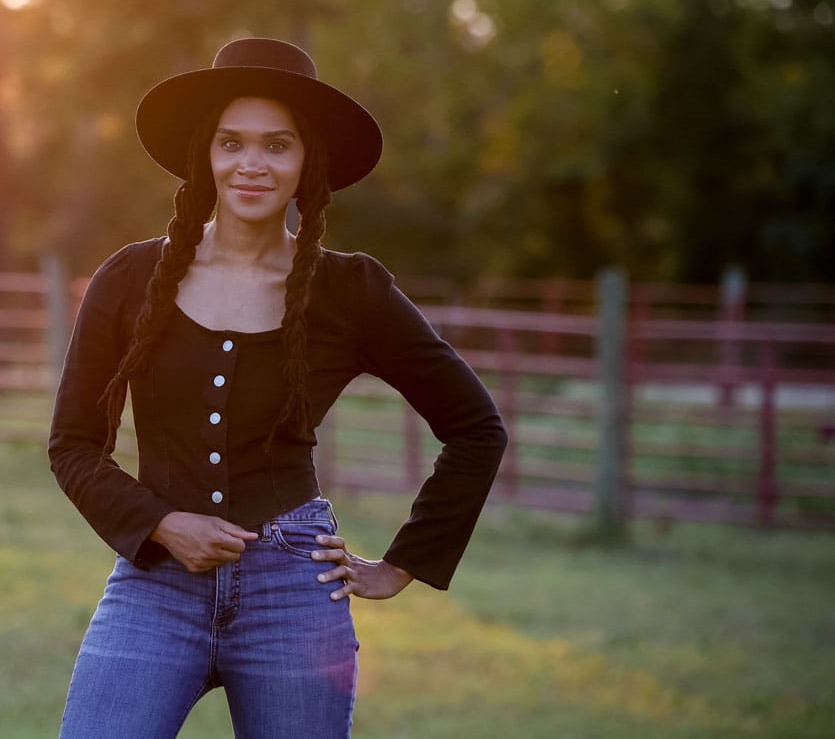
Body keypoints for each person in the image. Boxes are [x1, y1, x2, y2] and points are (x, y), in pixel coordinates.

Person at [48, 37, 507, 738]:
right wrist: (164, 524)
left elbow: (476, 428)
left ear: (306, 162)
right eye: (231, 142)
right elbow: (74, 445)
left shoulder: (350, 290)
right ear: (207, 153)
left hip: (293, 594)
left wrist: (402, 565)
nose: (251, 164)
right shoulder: (130, 279)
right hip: (155, 587)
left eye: (277, 145)